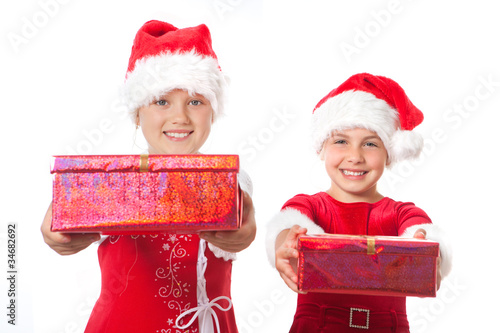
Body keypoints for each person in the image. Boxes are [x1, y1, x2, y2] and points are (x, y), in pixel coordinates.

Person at [41, 20, 256, 333]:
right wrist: (55, 231)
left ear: (213, 110)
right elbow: (59, 221)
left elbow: (244, 228)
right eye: (162, 101)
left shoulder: (228, 179)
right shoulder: (111, 180)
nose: (179, 117)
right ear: (137, 113)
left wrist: (243, 234)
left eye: (195, 101)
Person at [266, 73, 451, 332]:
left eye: (370, 144)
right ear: (322, 149)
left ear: (389, 154)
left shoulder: (402, 213)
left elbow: (424, 234)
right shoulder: (310, 206)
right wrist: (285, 246)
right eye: (341, 141)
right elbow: (289, 226)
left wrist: (429, 255)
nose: (355, 156)